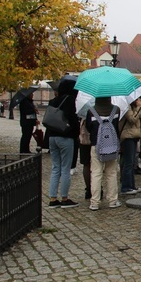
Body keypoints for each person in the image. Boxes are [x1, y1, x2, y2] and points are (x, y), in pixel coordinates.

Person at [45, 79, 80, 208]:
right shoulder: (70, 101)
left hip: (52, 136)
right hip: (65, 136)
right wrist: (75, 132)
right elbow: (72, 119)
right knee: (65, 168)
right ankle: (64, 198)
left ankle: (53, 198)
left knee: (55, 168)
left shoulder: (53, 101)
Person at [86, 97, 122, 211]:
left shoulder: (91, 111)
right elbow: (117, 127)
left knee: (96, 173)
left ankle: (95, 202)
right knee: (111, 173)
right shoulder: (116, 110)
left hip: (96, 145)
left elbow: (88, 127)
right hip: (111, 146)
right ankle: (113, 200)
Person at [120, 97, 141, 195]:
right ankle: (126, 187)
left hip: (132, 136)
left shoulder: (130, 106)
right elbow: (132, 119)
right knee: (128, 163)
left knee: (132, 162)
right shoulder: (126, 107)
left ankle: (132, 186)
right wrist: (139, 108)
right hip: (128, 136)